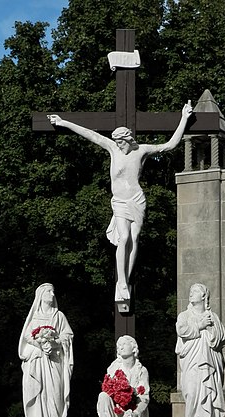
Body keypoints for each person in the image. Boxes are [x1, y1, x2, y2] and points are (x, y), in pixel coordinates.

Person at [48, 102, 192, 301]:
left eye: (121, 142)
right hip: (120, 201)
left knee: (134, 239)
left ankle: (126, 279)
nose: (119, 145)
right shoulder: (112, 148)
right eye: (116, 142)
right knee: (123, 238)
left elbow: (169, 145)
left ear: (128, 139)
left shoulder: (141, 150)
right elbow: (90, 134)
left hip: (136, 200)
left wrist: (184, 118)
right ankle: (121, 282)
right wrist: (63, 123)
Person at [19, 283, 74, 417]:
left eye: (53, 291)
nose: (52, 294)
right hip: (37, 361)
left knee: (54, 396)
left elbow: (68, 336)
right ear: (41, 295)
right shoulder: (34, 317)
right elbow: (27, 336)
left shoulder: (59, 316)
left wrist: (54, 343)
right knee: (38, 396)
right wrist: (41, 344)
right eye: (48, 291)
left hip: (54, 361)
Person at [175, 283, 225, 417]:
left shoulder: (213, 317)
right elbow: (182, 330)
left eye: (196, 291)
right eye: (190, 291)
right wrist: (200, 325)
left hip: (210, 365)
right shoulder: (184, 315)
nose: (191, 293)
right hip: (192, 363)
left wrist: (210, 328)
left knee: (210, 398)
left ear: (204, 296)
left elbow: (222, 338)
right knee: (192, 395)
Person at [88, 335, 150, 417]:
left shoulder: (141, 370)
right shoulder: (113, 368)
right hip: (116, 410)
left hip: (135, 411)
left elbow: (144, 398)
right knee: (103, 396)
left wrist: (135, 413)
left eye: (123, 344)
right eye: (118, 346)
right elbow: (108, 390)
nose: (120, 347)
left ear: (133, 348)